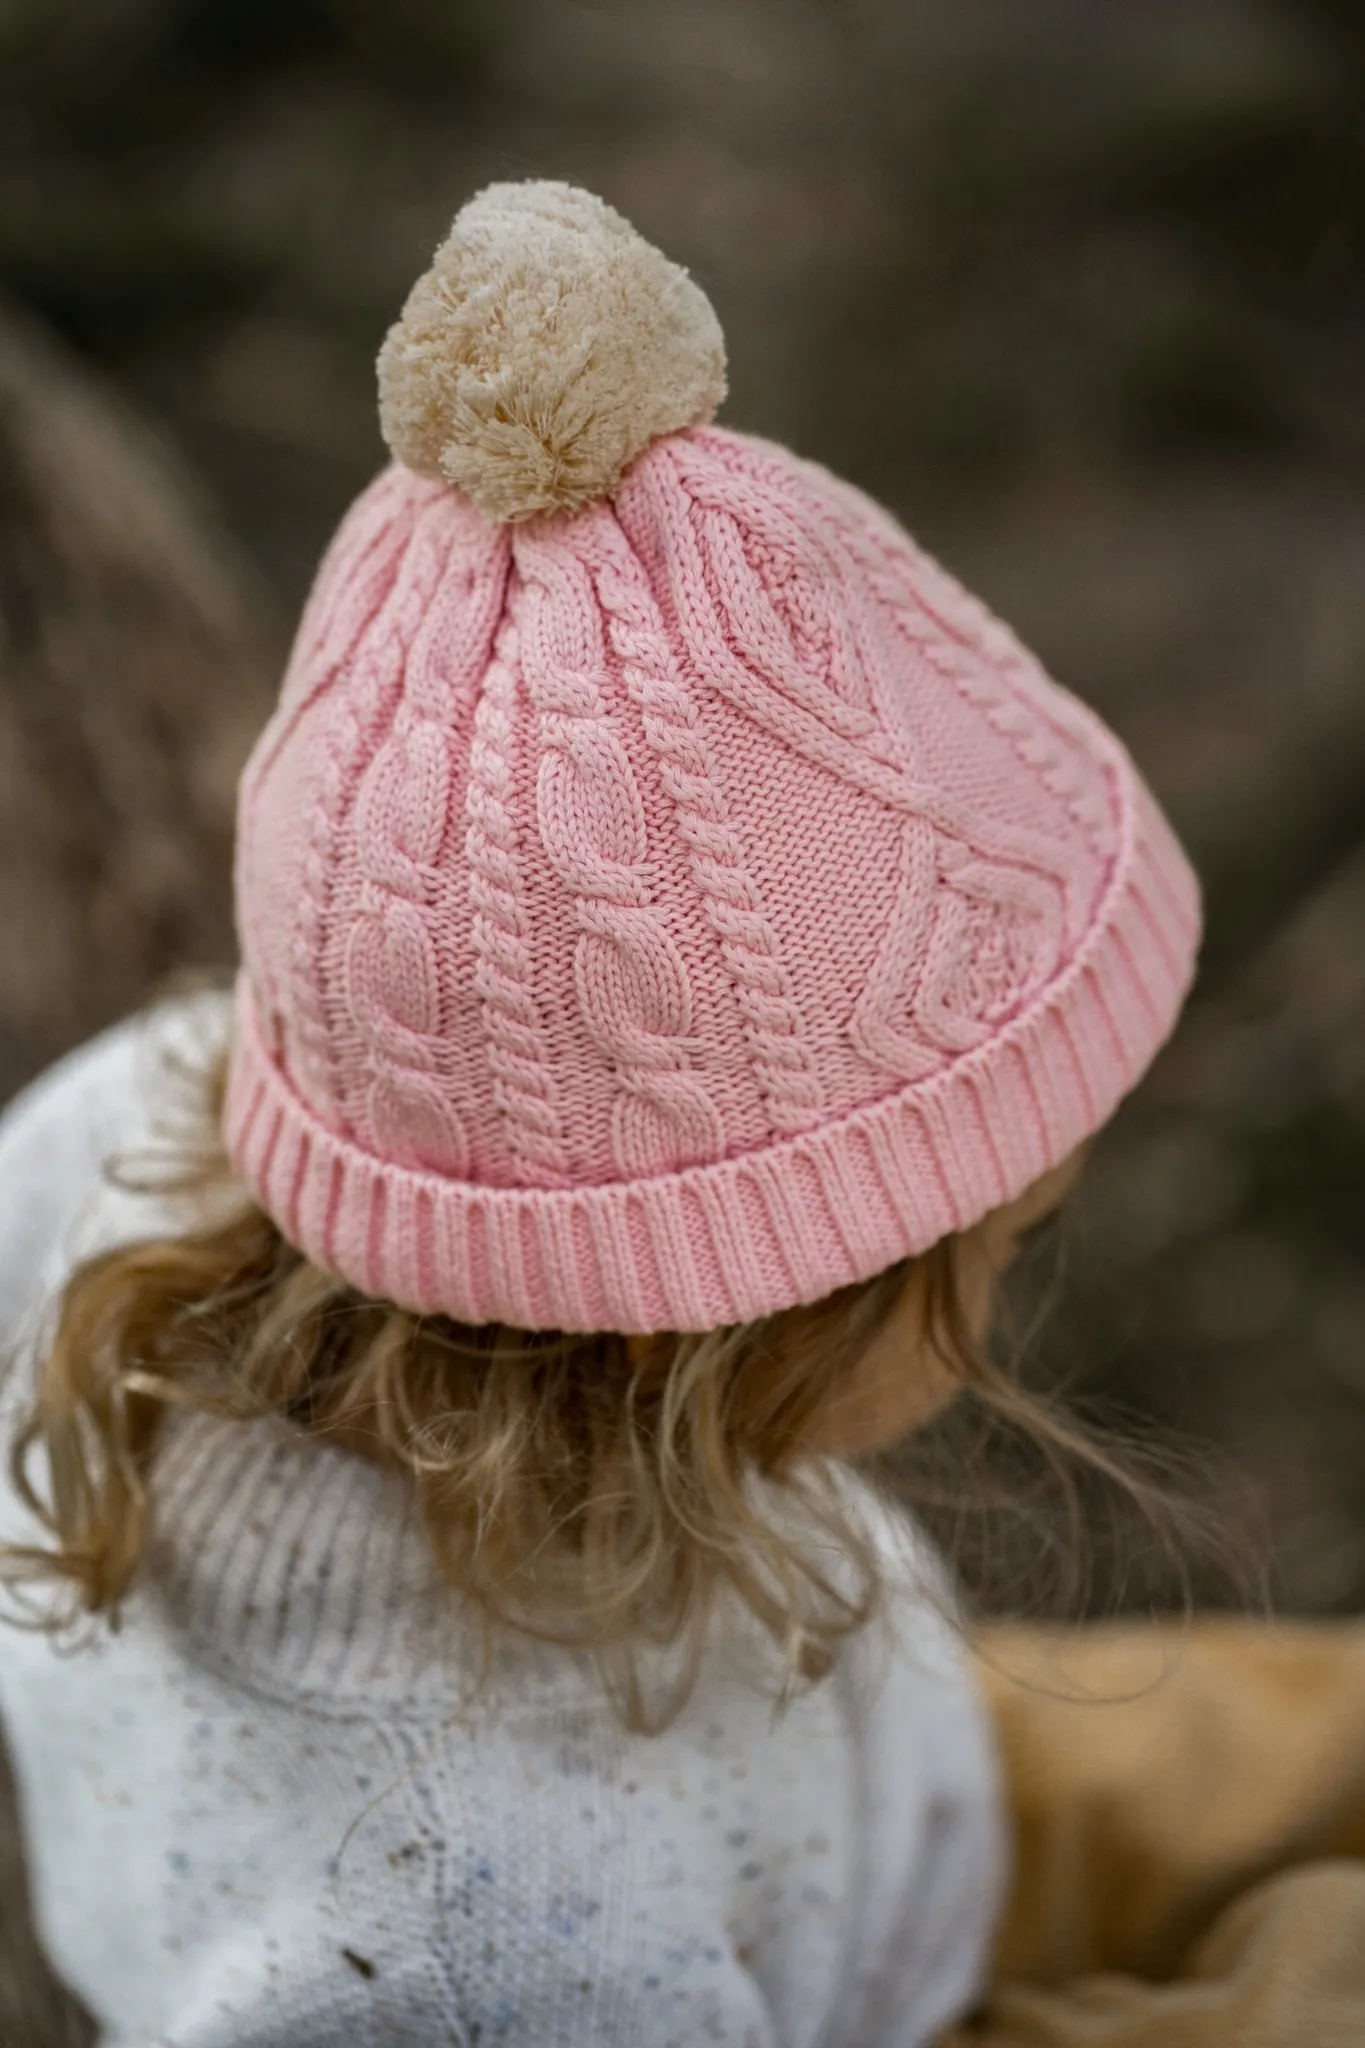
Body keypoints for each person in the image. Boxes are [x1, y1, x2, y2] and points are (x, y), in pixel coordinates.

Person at [0, 180, 1205, 2047]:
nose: (1010, 1292)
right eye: (994, 1239)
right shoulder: (485, 1949)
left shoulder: (135, 1117)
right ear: (716, 1311)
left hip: (881, 1781)